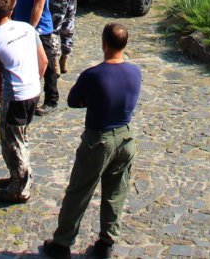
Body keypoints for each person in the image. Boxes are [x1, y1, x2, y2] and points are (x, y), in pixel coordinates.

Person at [40, 23, 142, 259]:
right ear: (125, 45)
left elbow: (73, 101)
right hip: (126, 137)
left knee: (79, 191)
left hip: (99, 139)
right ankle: (106, 243)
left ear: (103, 44)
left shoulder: (93, 75)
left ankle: (62, 243)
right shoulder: (135, 72)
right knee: (116, 192)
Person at [0, 0, 48, 204]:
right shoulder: (27, 28)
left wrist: (2, 99)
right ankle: (17, 176)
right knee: (21, 137)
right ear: (10, 10)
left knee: (12, 143)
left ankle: (20, 187)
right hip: (34, 91)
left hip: (15, 97)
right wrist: (34, 81)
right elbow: (44, 61)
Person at [12, 0, 56, 115]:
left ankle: (51, 100)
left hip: (39, 29)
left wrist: (31, 29)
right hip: (26, 27)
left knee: (47, 64)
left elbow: (39, 5)